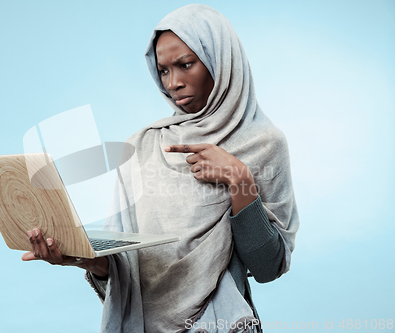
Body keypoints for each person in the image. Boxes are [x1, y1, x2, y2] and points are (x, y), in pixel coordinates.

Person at [22, 4, 299, 333]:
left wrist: (239, 180)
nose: (174, 83)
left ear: (220, 62)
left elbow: (268, 266)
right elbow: (126, 265)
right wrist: (85, 260)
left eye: (185, 65)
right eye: (164, 70)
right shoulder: (142, 146)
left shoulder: (264, 144)